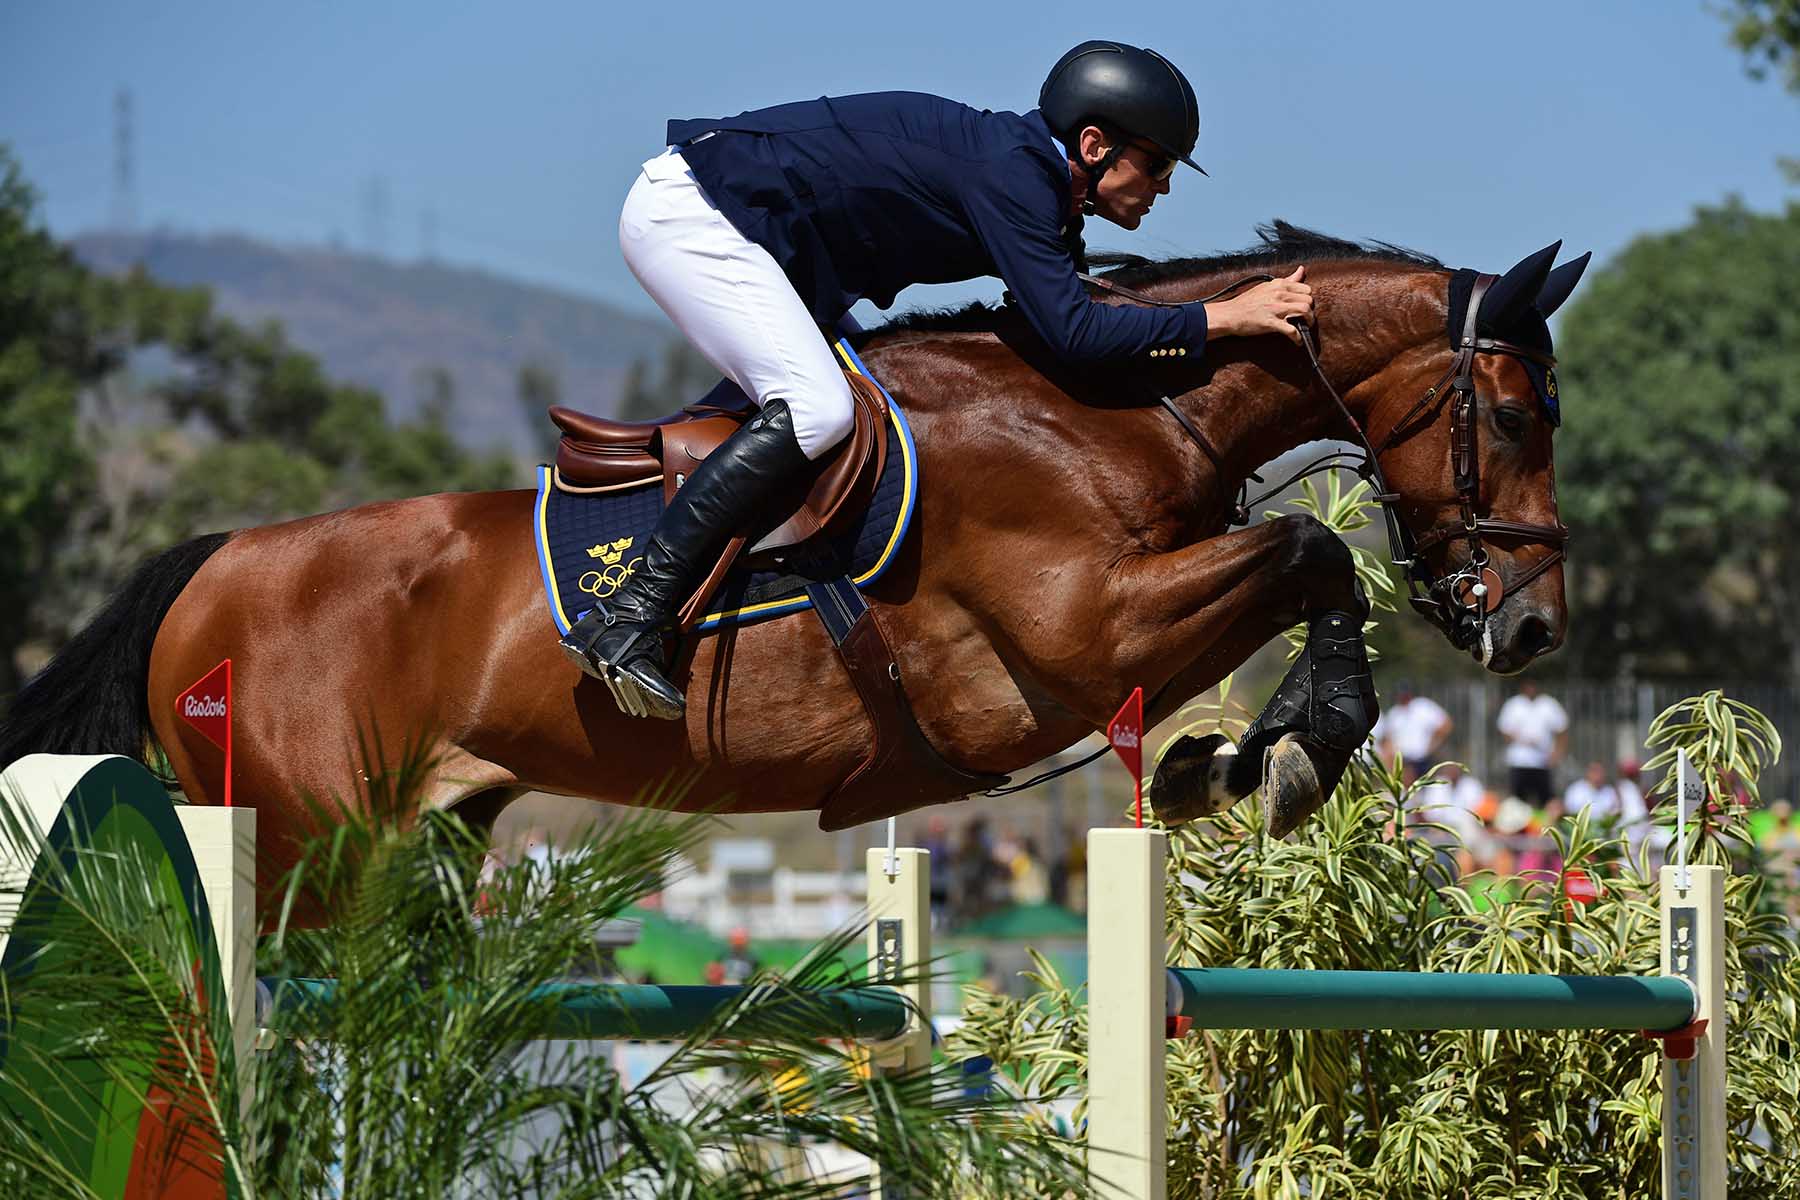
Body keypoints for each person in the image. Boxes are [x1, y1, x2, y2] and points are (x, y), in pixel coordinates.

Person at [560, 41, 1317, 719]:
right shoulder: (1018, 178)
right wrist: (1223, 318)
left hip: (769, 247)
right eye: (1156, 164)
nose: (1164, 188)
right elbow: (1077, 334)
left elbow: (1075, 331)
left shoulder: (1036, 185)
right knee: (820, 410)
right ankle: (631, 616)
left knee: (864, 399)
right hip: (696, 216)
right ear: (1093, 143)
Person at [1496, 680, 1568, 807]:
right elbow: (1504, 730)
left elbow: (1562, 730)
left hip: (1542, 762)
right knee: (1518, 803)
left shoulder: (1549, 704)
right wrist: (1522, 739)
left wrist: (1557, 754)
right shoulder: (1513, 704)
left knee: (1545, 801)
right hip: (1519, 761)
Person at [1371, 686, 1454, 783]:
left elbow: (1446, 724)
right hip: (1404, 760)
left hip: (1424, 759)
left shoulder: (1423, 707)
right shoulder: (1394, 713)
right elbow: (1387, 739)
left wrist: (1434, 744)